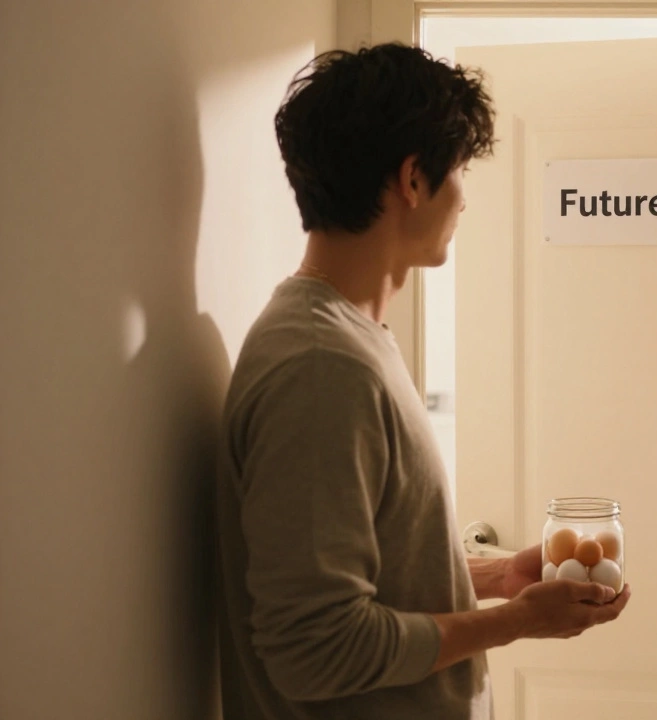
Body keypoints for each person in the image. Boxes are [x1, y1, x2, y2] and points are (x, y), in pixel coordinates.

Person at [214, 43, 630, 720]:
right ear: (413, 179)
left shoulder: (346, 341)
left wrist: (496, 578)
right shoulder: (322, 367)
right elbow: (316, 648)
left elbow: (364, 580)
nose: (464, 197)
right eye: (462, 169)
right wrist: (516, 622)